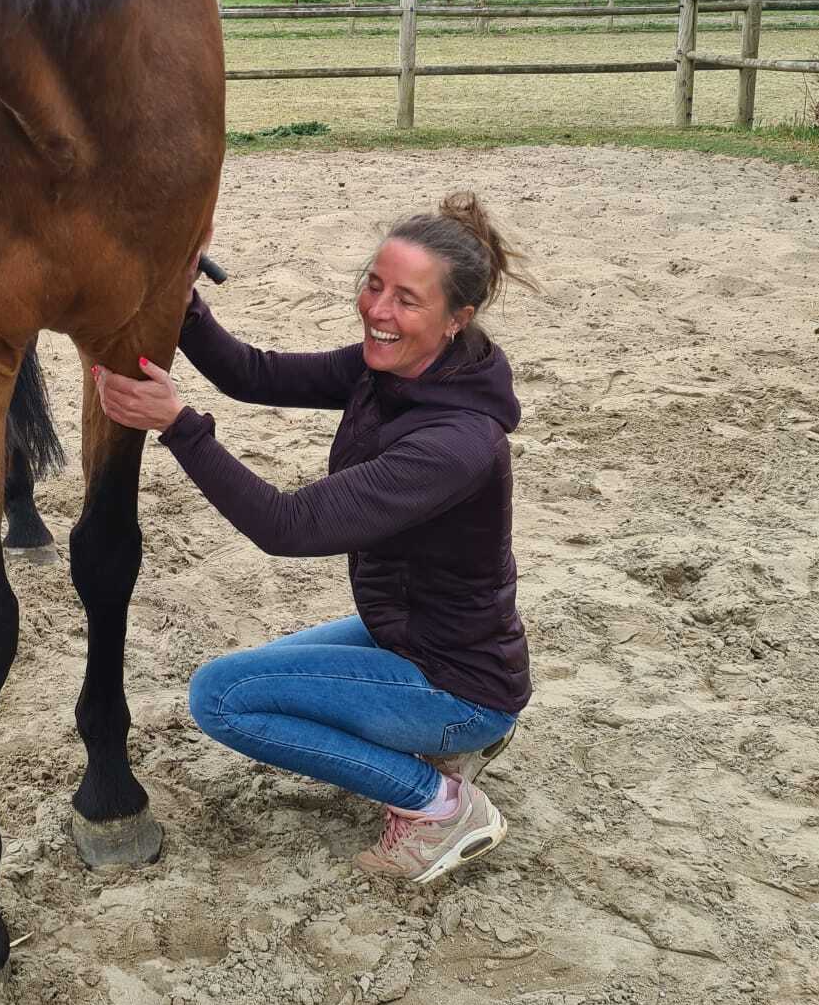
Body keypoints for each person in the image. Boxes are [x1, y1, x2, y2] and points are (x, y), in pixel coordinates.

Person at [94, 192, 531, 887]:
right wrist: (183, 300)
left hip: (456, 684)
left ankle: (442, 803)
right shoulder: (393, 367)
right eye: (375, 284)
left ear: (458, 319)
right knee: (261, 678)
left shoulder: (454, 444)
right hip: (416, 637)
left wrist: (179, 426)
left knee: (224, 698)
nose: (378, 311)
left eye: (407, 300)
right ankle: (451, 744)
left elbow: (285, 526)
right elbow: (252, 374)